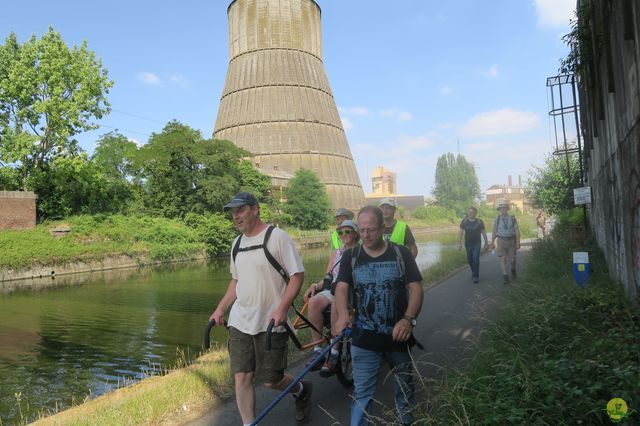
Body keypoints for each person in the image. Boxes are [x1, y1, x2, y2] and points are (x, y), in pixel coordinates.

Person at [209, 192, 312, 425]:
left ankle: (301, 390)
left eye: (240, 210)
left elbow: (297, 275)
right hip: (240, 321)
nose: (236, 216)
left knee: (271, 380)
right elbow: (236, 282)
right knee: (241, 377)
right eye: (233, 213)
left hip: (270, 322)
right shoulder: (236, 244)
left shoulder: (277, 237)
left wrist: (282, 308)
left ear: (255, 209)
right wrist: (220, 309)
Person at [333, 205, 424, 426]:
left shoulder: (401, 254)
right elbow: (341, 288)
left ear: (383, 228)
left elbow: (416, 288)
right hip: (363, 340)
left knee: (404, 388)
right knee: (362, 393)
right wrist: (343, 313)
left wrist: (408, 319)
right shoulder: (351, 257)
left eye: (371, 230)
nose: (365, 235)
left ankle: (406, 422)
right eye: (362, 230)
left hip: (398, 339)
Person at [303, 219, 360, 376]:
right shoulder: (336, 253)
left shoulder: (361, 252)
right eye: (340, 232)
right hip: (334, 287)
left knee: (337, 302)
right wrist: (315, 285)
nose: (343, 235)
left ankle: (334, 353)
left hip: (351, 291)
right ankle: (317, 350)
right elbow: (328, 277)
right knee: (313, 302)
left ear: (355, 234)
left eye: (347, 231)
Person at [490, 202, 521, 285]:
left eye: (504, 208)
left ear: (507, 209)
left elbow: (517, 231)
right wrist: (492, 242)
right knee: (503, 259)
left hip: (511, 241)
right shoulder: (497, 219)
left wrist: (518, 242)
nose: (502, 210)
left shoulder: (512, 218)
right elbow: (494, 231)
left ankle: (513, 269)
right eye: (501, 209)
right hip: (500, 241)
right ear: (499, 210)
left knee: (513, 259)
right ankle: (505, 276)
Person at [458, 206, 489, 283]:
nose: (470, 213)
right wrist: (459, 243)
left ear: (475, 213)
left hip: (477, 244)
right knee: (470, 260)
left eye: (472, 212)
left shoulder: (479, 222)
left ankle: (475, 276)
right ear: (467, 213)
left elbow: (483, 232)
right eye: (469, 212)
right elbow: (461, 232)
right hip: (468, 244)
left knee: (475, 259)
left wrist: (486, 243)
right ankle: (474, 271)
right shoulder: (464, 221)